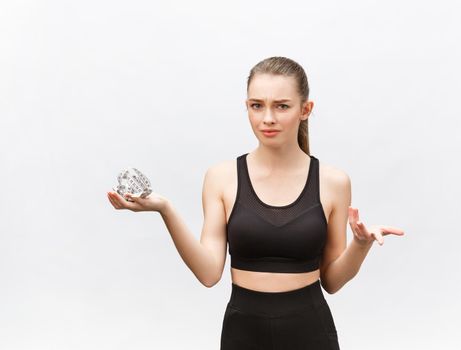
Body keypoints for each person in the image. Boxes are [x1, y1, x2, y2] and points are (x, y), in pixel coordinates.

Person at [107, 56, 405, 349]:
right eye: (256, 105)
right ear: (246, 107)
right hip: (242, 334)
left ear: (305, 109)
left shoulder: (333, 182)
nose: (268, 118)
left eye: (282, 106)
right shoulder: (221, 177)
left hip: (310, 332)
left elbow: (332, 281)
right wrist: (165, 209)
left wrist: (361, 245)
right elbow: (209, 273)